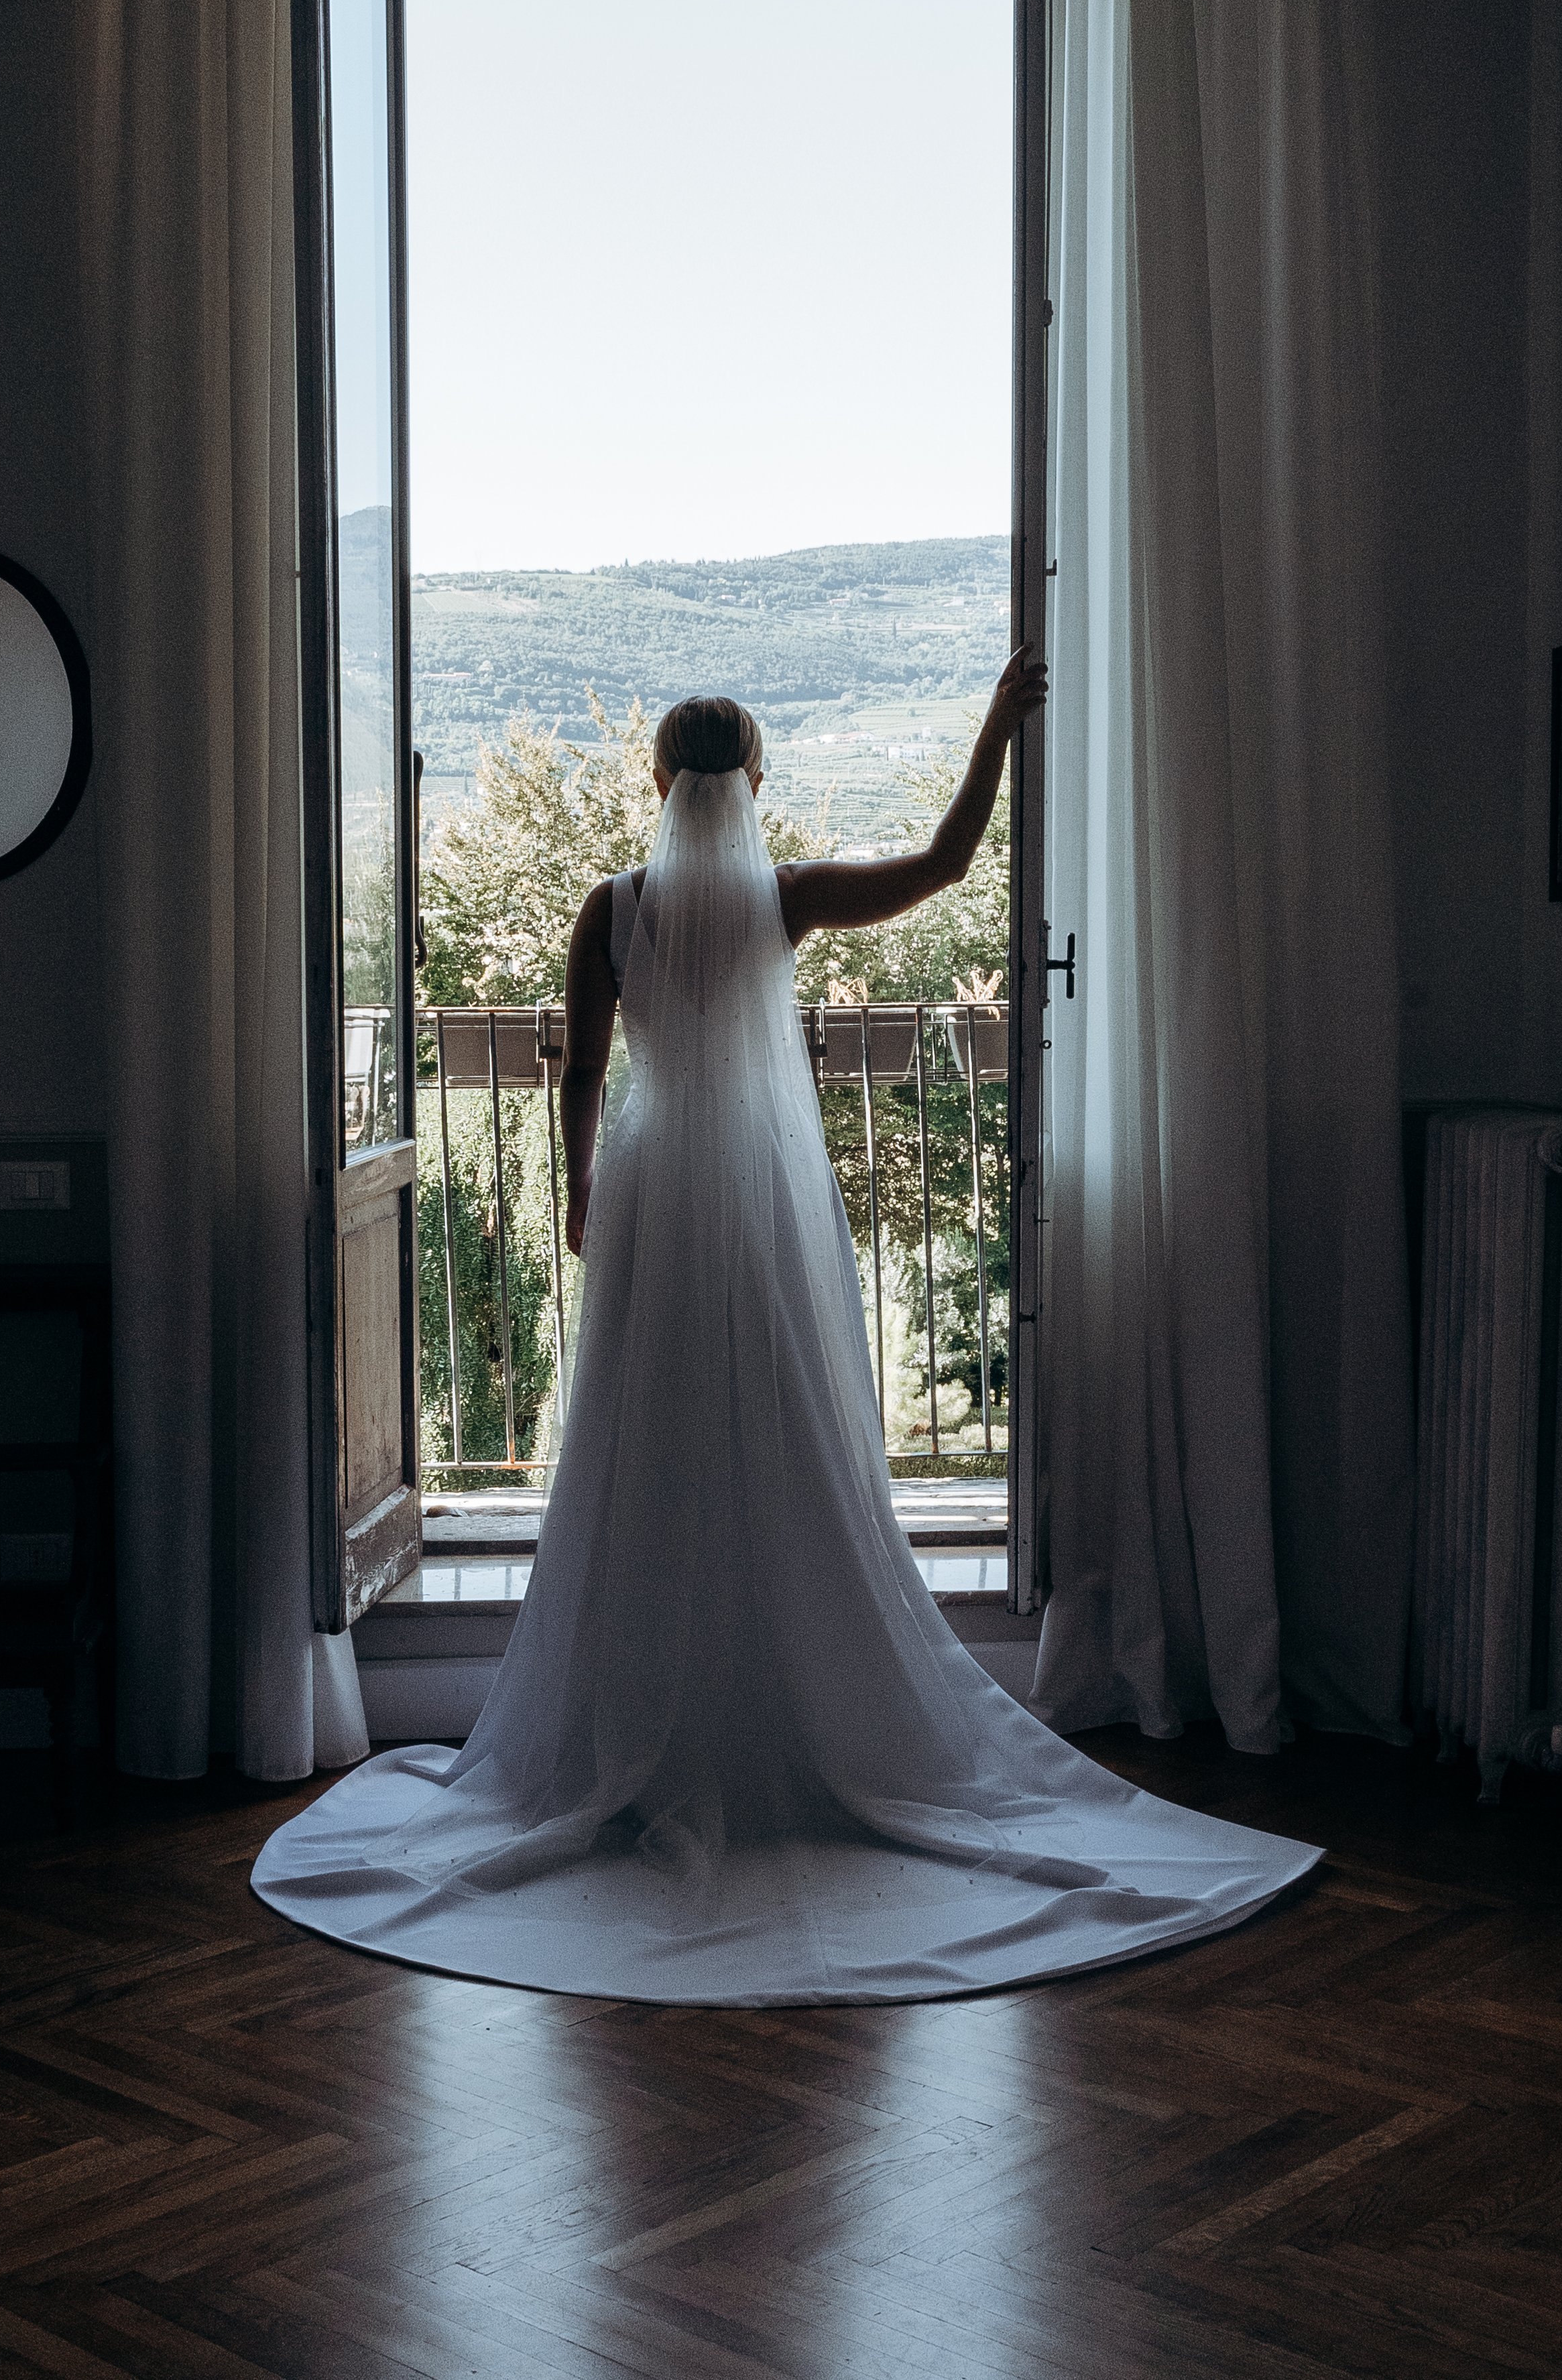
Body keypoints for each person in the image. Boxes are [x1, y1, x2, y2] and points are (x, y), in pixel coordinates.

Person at [253, 661, 1317, 2005]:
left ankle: (642, 1714)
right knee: (778, 1430)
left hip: (651, 1186)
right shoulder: (782, 896)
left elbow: (580, 1069)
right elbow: (943, 862)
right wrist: (996, 722)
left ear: (655, 783)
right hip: (756, 1190)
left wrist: (583, 1186)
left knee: (648, 1443)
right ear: (753, 783)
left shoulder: (612, 908)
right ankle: (798, 1708)